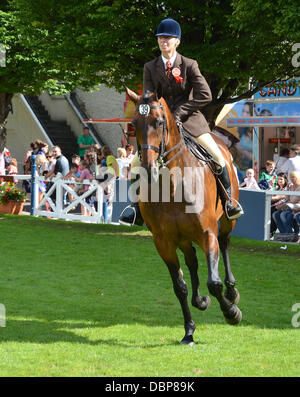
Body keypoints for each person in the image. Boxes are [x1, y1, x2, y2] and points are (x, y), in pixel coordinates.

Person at [119, 18, 243, 225]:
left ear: (177, 41)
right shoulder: (150, 67)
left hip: (191, 121)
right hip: (161, 125)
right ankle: (135, 209)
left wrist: (179, 112)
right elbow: (149, 97)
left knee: (218, 157)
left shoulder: (189, 64)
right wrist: (144, 111)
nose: (163, 41)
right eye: (160, 38)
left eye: (167, 38)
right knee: (136, 163)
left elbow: (205, 95)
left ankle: (229, 202)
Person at [272, 171, 300, 241]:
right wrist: (282, 204)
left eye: (294, 177)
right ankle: (284, 234)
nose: (292, 179)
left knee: (283, 215)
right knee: (275, 214)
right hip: (289, 207)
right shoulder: (291, 187)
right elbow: (287, 199)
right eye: (291, 177)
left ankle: (290, 234)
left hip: (296, 208)